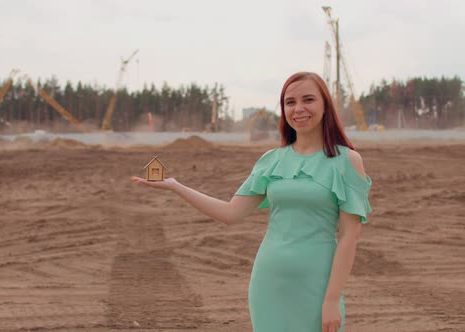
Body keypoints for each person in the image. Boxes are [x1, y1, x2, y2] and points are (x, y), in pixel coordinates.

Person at [131, 72, 372, 332]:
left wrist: (332, 299)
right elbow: (230, 213)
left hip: (318, 284)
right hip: (268, 282)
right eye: (290, 102)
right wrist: (176, 186)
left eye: (308, 99)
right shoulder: (271, 161)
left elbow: (350, 236)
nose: (298, 108)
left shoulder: (346, 162)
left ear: (325, 105)